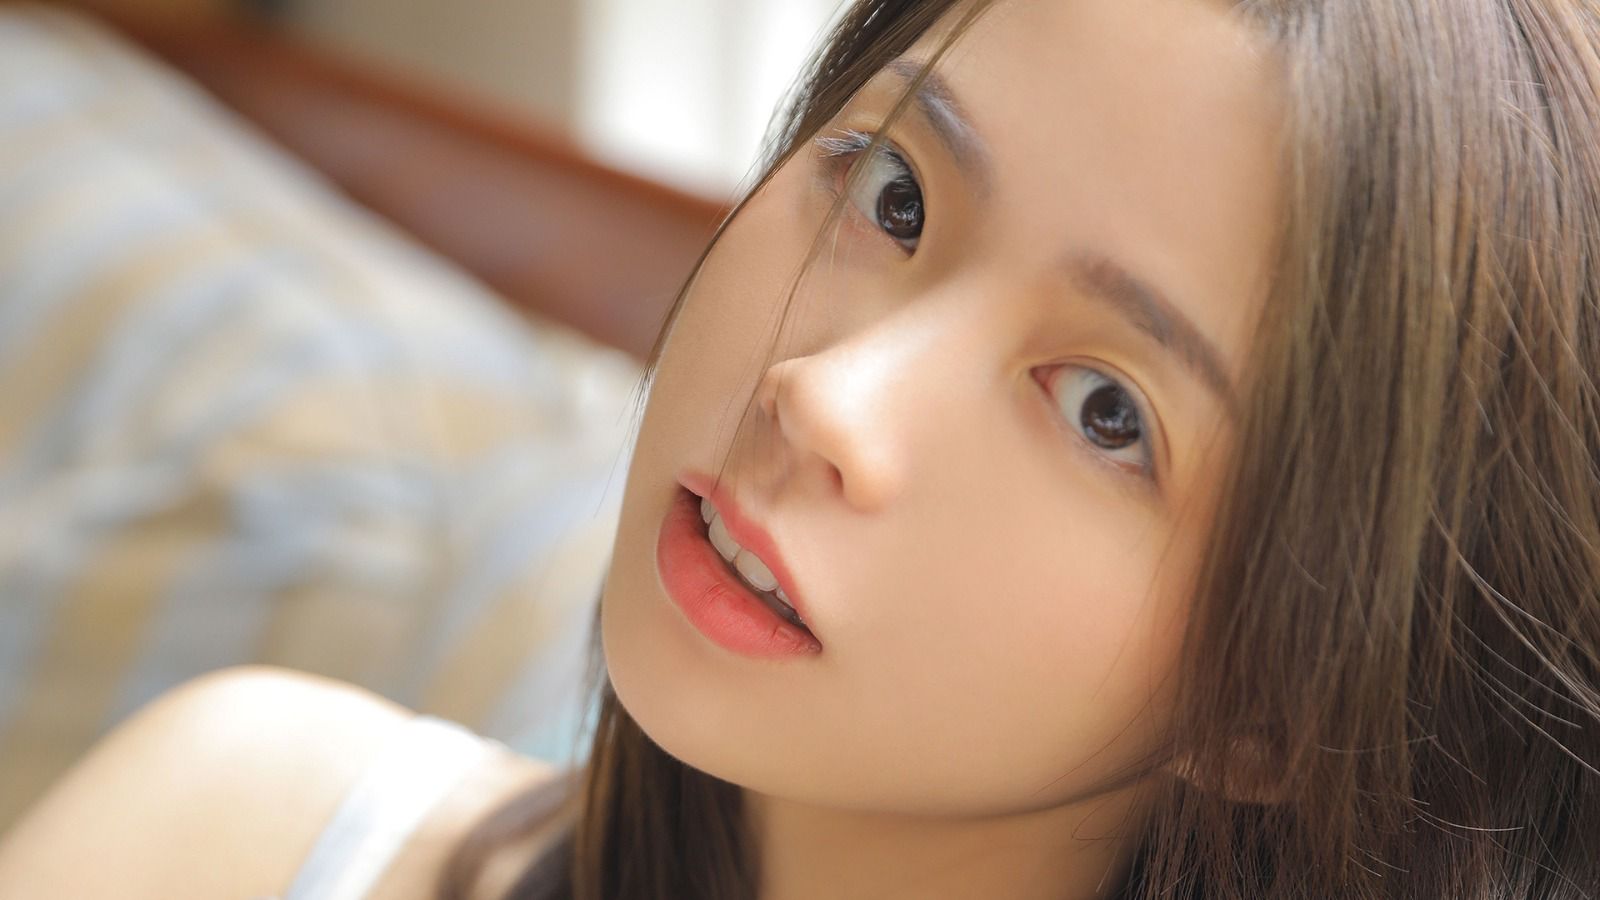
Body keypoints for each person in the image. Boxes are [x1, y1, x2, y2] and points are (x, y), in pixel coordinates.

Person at [1, 0, 1597, 896]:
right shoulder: (238, 832)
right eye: (893, 196)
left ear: (1279, 705)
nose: (827, 398)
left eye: (1105, 410)